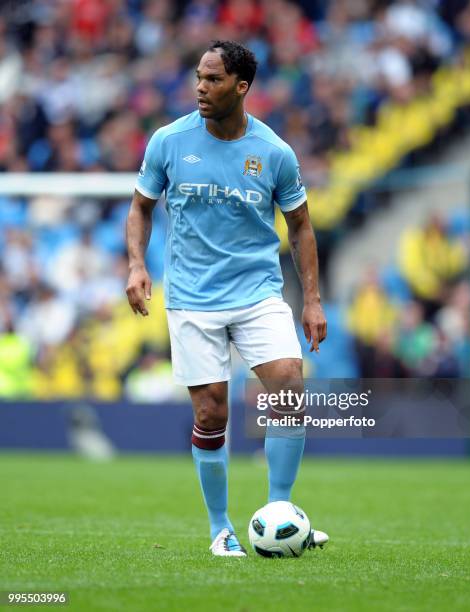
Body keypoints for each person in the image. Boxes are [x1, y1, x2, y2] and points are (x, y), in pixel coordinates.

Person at [126, 40, 328, 557]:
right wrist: (135, 265)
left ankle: (280, 510)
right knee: (212, 414)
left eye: (213, 79)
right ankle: (221, 529)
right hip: (192, 297)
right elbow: (141, 208)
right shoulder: (169, 142)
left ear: (241, 87)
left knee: (287, 389)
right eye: (198, 77)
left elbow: (301, 227)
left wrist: (312, 300)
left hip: (258, 291)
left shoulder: (274, 152)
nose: (200, 87)